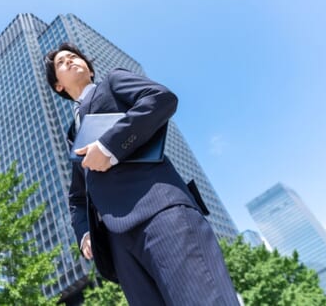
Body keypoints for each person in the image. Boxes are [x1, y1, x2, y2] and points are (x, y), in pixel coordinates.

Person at [44, 42, 240, 306]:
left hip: (161, 213)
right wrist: (84, 233)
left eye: (74, 56)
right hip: (119, 246)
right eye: (61, 63)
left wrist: (109, 146)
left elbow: (160, 98)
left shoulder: (112, 83)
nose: (69, 60)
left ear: (90, 69)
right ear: (58, 85)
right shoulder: (72, 134)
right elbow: (77, 197)